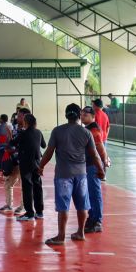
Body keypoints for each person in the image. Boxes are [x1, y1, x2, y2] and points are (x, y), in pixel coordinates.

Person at [39, 103, 105, 246]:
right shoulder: (86, 133)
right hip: (81, 174)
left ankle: (61, 236)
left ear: (66, 115)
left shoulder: (57, 131)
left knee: (63, 206)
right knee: (82, 205)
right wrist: (100, 170)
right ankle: (80, 233)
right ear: (79, 116)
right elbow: (94, 155)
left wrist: (41, 166)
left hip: (63, 174)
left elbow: (49, 152)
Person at [81, 106, 110, 234]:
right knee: (89, 193)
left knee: (95, 193)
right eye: (81, 114)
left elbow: (100, 148)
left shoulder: (94, 131)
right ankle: (92, 218)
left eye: (86, 115)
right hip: (87, 165)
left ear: (93, 117)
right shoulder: (87, 129)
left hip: (93, 165)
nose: (82, 116)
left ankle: (97, 221)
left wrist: (104, 162)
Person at [13, 114, 46, 221]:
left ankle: (29, 213)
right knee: (37, 186)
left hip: (26, 163)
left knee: (27, 187)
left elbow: (12, 143)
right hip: (37, 162)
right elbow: (44, 145)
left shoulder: (23, 133)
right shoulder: (38, 132)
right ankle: (39, 212)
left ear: (26, 122)